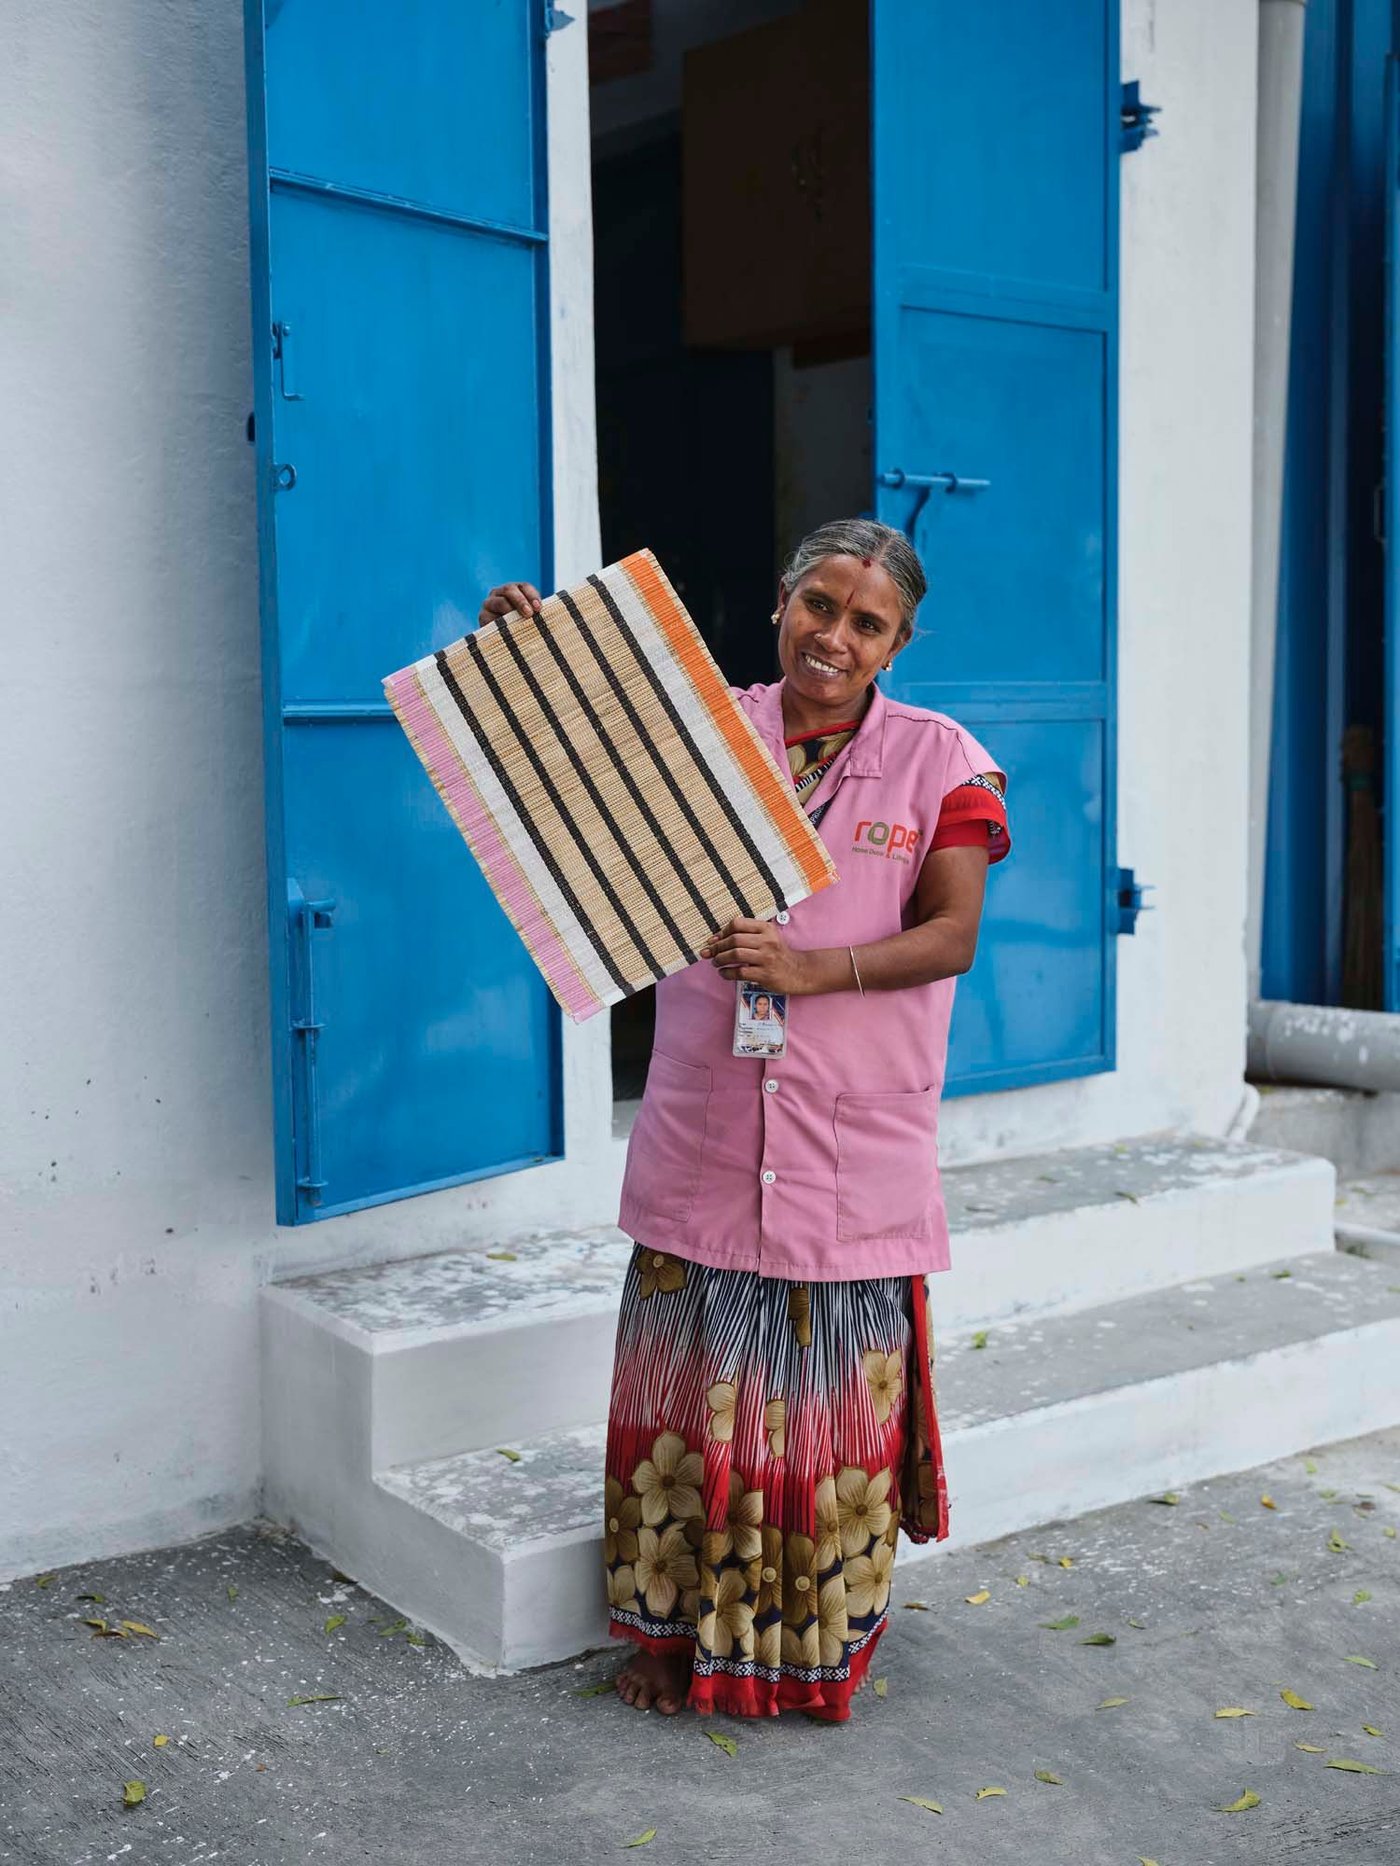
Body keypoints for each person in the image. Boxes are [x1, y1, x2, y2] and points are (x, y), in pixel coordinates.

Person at [477, 517, 1010, 1720]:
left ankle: (808, 1659)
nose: (834, 634)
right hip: (708, 1135)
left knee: (820, 1424)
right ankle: (671, 1646)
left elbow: (950, 935)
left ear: (898, 642)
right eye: (817, 605)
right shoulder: (707, 732)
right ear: (781, 603)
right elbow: (584, 759)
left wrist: (814, 971)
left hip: (848, 1146)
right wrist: (533, 658)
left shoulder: (943, 763)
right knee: (682, 1409)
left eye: (865, 621)